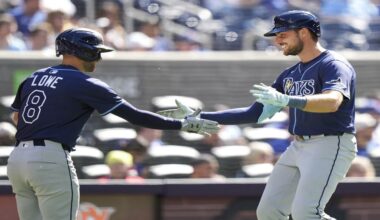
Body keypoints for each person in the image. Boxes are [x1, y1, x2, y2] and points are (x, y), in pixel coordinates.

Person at [159, 10, 357, 220]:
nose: (277, 40)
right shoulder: (290, 74)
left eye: (283, 34)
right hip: (298, 145)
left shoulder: (333, 64)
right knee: (269, 213)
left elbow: (333, 102)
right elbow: (254, 113)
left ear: (304, 33)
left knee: (306, 214)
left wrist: (288, 100)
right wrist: (203, 116)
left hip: (330, 143)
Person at [6, 27, 219, 220]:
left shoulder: (34, 77)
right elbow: (135, 116)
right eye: (96, 51)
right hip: (49, 159)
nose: (98, 58)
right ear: (82, 51)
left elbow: (16, 118)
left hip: (17, 160)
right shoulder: (85, 83)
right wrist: (182, 125)